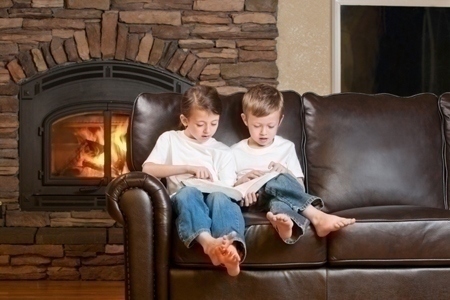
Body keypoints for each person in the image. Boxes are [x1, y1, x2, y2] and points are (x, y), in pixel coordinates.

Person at [232, 84, 355, 244]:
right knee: (273, 181)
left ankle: (285, 227)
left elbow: (299, 188)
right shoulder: (234, 151)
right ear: (245, 120)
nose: (264, 132)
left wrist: (285, 172)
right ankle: (317, 217)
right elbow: (227, 188)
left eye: (270, 126)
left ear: (280, 120)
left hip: (278, 199)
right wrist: (243, 184)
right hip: (253, 201)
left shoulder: (286, 147)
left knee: (279, 200)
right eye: (257, 126)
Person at [142, 85, 245, 276]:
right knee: (188, 192)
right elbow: (148, 169)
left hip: (216, 196)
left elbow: (229, 186)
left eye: (214, 123)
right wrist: (187, 168)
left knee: (220, 198)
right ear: (184, 120)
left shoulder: (222, 151)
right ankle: (208, 244)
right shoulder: (170, 139)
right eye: (200, 124)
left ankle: (229, 248)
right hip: (186, 197)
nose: (208, 130)